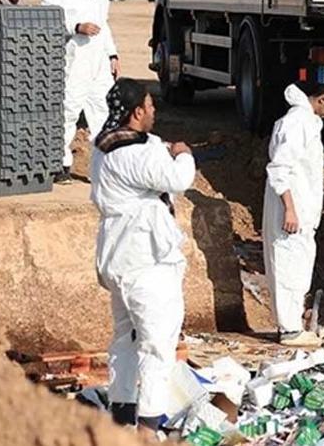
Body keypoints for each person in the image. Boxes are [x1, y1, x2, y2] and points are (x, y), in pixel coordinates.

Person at [90, 79, 197, 431]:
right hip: (146, 261)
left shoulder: (103, 148)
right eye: (150, 107)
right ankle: (148, 428)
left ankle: (121, 417)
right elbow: (178, 179)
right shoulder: (138, 154)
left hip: (117, 257)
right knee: (157, 344)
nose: (154, 112)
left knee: (125, 338)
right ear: (137, 112)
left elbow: (145, 155)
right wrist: (184, 153)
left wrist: (159, 146)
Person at [263, 80, 324, 347]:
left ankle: (292, 323)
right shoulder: (297, 123)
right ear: (323, 99)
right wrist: (289, 208)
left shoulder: (308, 122)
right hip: (290, 209)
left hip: (300, 210)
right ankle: (289, 329)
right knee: (287, 266)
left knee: (297, 266)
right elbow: (280, 169)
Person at [43, 0, 119, 183]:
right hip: (73, 65)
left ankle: (106, 167)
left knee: (103, 114)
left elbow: (104, 27)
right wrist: (76, 27)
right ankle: (60, 165)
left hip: (98, 66)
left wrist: (112, 55)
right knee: (67, 113)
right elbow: (48, 24)